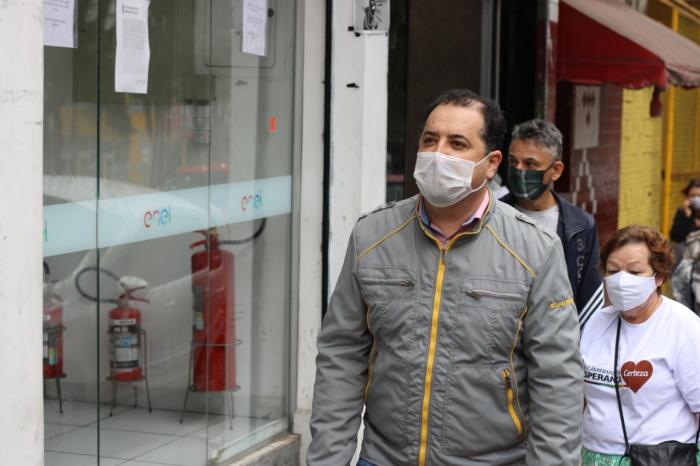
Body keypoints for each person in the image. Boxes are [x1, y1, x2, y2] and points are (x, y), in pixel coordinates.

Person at [308, 89, 583, 466]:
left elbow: (557, 379)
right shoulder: (372, 236)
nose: (438, 154)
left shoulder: (535, 250)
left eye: (457, 143)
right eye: (430, 140)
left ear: (491, 163)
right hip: (385, 457)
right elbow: (341, 355)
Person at [580, 225, 700, 465]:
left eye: (634, 271)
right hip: (592, 456)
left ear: (659, 276)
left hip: (660, 459)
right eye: (613, 271)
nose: (622, 280)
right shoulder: (596, 322)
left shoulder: (684, 327)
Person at [500, 119, 603, 329]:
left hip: (556, 338)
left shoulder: (580, 226)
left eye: (530, 164)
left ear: (556, 170)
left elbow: (588, 300)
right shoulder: (491, 216)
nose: (519, 170)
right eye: (513, 162)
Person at [670, 178, 700, 263]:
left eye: (699, 196)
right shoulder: (682, 213)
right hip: (688, 259)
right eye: (692, 196)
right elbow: (676, 237)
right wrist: (687, 216)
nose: (696, 199)